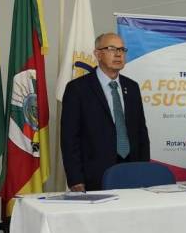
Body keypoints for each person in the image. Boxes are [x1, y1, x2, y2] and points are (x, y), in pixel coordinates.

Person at [61, 33, 150, 191]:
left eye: (122, 50)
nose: (118, 54)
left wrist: (143, 170)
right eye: (111, 49)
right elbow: (69, 139)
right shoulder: (78, 89)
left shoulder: (132, 87)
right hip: (94, 177)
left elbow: (141, 133)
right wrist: (76, 179)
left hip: (132, 173)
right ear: (98, 54)